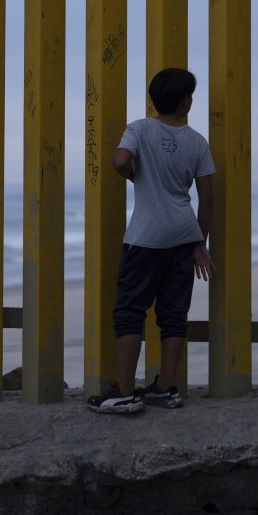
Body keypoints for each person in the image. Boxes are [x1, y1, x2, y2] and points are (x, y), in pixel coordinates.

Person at [87, 67, 215, 415]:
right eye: (190, 94)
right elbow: (206, 199)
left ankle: (126, 392)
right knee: (173, 313)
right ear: (184, 100)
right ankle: (165, 387)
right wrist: (200, 242)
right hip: (183, 235)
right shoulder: (197, 142)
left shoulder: (140, 129)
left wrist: (134, 175)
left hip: (146, 237)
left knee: (130, 310)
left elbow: (119, 160)